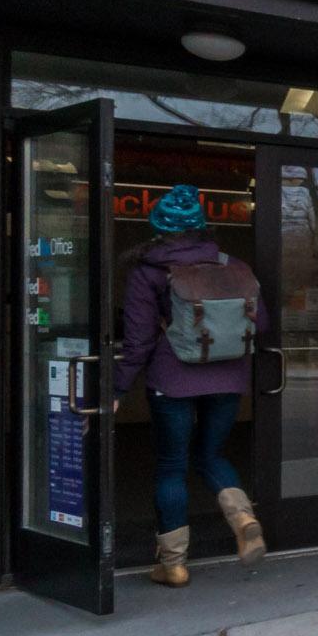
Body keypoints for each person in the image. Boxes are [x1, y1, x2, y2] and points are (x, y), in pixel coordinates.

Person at [117, 185, 269, 587]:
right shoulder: (234, 266)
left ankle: (174, 564)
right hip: (229, 378)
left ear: (159, 228)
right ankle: (243, 516)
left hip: (173, 380)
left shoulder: (148, 272)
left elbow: (138, 341)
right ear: (201, 227)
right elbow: (262, 324)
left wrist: (116, 390)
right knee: (210, 454)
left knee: (172, 466)